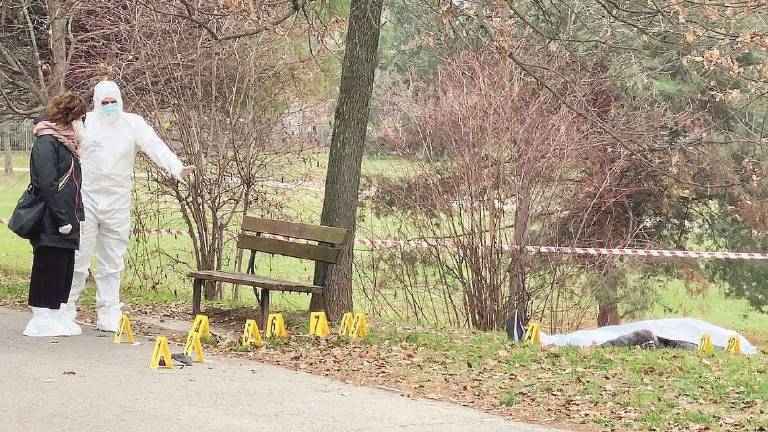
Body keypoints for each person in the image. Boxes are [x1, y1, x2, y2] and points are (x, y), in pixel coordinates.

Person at [63, 80, 192, 332]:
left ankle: (109, 309)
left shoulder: (132, 123)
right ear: (96, 103)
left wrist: (176, 167)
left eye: (113, 102)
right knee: (79, 255)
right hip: (87, 198)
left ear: (120, 101)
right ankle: (67, 304)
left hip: (118, 201)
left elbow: (155, 146)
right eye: (104, 102)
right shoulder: (84, 122)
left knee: (112, 259)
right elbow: (65, 147)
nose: (109, 107)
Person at [23, 92, 87, 337]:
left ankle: (56, 311)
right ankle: (41, 315)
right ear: (69, 117)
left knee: (64, 267)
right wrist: (62, 219)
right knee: (48, 265)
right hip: (51, 219)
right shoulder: (47, 143)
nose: (82, 124)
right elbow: (48, 184)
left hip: (67, 215)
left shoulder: (65, 143)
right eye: (79, 118)